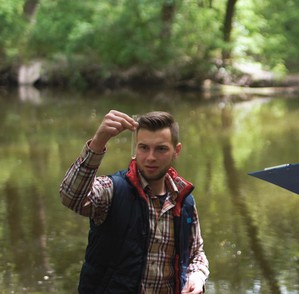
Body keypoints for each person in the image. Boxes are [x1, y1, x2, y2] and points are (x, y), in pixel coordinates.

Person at [59, 110, 209, 293]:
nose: (150, 157)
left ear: (176, 151)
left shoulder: (184, 201)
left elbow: (196, 254)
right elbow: (71, 197)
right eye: (143, 147)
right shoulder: (113, 190)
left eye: (161, 149)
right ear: (135, 148)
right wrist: (99, 142)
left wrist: (196, 276)